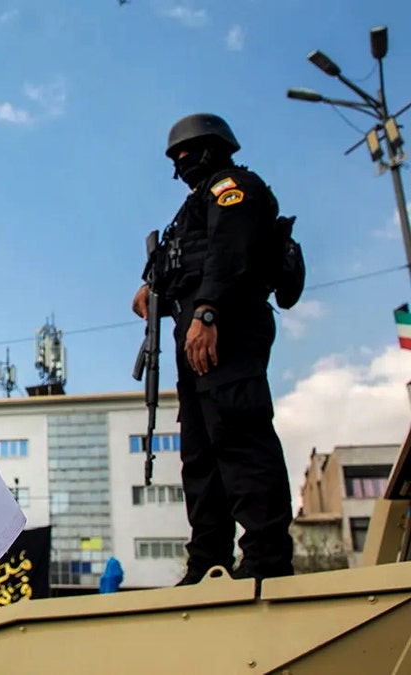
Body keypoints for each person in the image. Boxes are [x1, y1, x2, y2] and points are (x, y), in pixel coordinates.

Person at [133, 113, 295, 585]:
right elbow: (186, 263)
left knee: (239, 437)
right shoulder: (189, 210)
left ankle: (266, 558)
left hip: (227, 327)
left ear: (214, 147)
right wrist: (152, 286)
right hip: (193, 337)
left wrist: (207, 312)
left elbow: (230, 253)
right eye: (176, 156)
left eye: (188, 150)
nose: (182, 160)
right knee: (200, 454)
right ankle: (209, 561)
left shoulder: (234, 187)